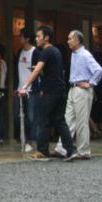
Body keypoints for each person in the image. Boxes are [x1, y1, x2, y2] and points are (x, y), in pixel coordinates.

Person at [18, 26, 75, 162]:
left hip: (50, 92)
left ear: (46, 38)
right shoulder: (56, 51)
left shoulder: (46, 51)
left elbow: (37, 70)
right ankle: (70, 150)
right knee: (60, 121)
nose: (36, 39)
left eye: (39, 36)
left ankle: (43, 151)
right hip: (60, 90)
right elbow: (50, 70)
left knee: (43, 121)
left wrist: (25, 86)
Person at [53, 30, 102, 160]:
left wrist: (90, 83)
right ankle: (62, 147)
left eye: (70, 39)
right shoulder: (74, 54)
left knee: (81, 121)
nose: (68, 41)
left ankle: (84, 151)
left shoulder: (85, 55)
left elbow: (99, 70)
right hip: (73, 88)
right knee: (67, 119)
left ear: (77, 40)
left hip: (82, 89)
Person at [15, 29, 38, 152]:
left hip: (31, 90)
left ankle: (31, 140)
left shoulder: (35, 52)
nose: (19, 38)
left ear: (27, 38)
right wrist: (17, 87)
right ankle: (24, 139)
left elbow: (38, 72)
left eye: (21, 36)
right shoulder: (20, 52)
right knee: (19, 116)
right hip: (20, 88)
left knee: (31, 116)